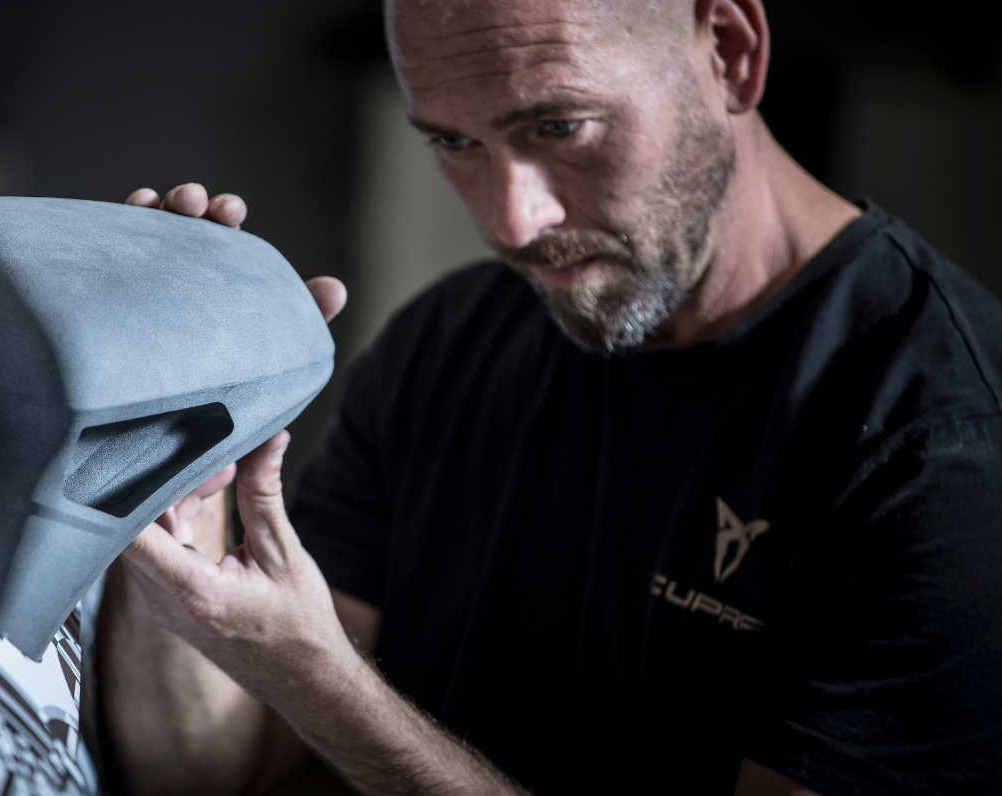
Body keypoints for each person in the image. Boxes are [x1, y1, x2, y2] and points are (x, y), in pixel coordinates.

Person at [96, 0, 1002, 792]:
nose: (511, 222)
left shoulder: (942, 439)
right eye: (454, 142)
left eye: (560, 127)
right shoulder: (445, 343)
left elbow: (309, 690)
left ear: (729, 51)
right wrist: (170, 464)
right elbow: (217, 772)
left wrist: (318, 681)